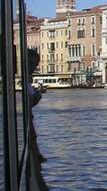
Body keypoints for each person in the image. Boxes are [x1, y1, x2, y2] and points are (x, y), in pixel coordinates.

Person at [26, 49, 49, 191]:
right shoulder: (25, 80)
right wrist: (38, 96)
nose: (36, 67)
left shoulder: (27, 80)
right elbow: (28, 100)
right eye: (34, 64)